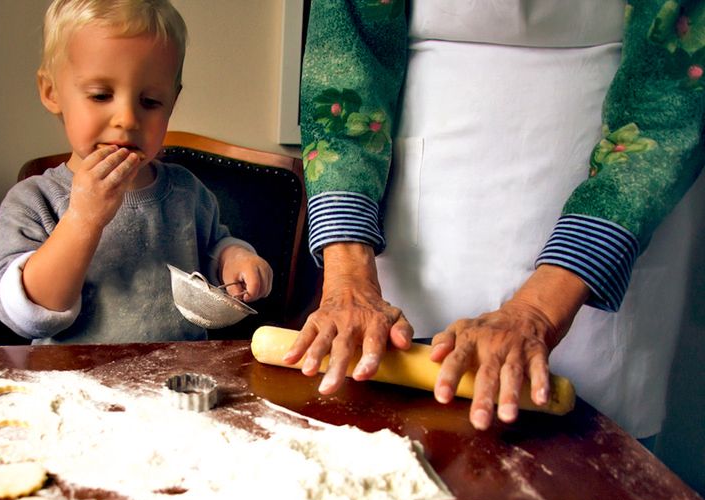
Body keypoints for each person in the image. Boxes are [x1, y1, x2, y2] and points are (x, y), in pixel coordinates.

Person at [287, 0, 705, 438]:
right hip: (421, 218)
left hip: (612, 216)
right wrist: (348, 279)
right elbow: (343, 66)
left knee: (583, 467)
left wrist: (537, 311)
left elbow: (670, 104)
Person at [0, 0, 273, 344]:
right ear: (52, 93)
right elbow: (28, 316)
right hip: (75, 388)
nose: (127, 119)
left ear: (172, 103)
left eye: (150, 102)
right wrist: (82, 221)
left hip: (177, 384)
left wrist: (235, 257)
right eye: (100, 95)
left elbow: (213, 252)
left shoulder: (186, 192)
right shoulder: (34, 201)